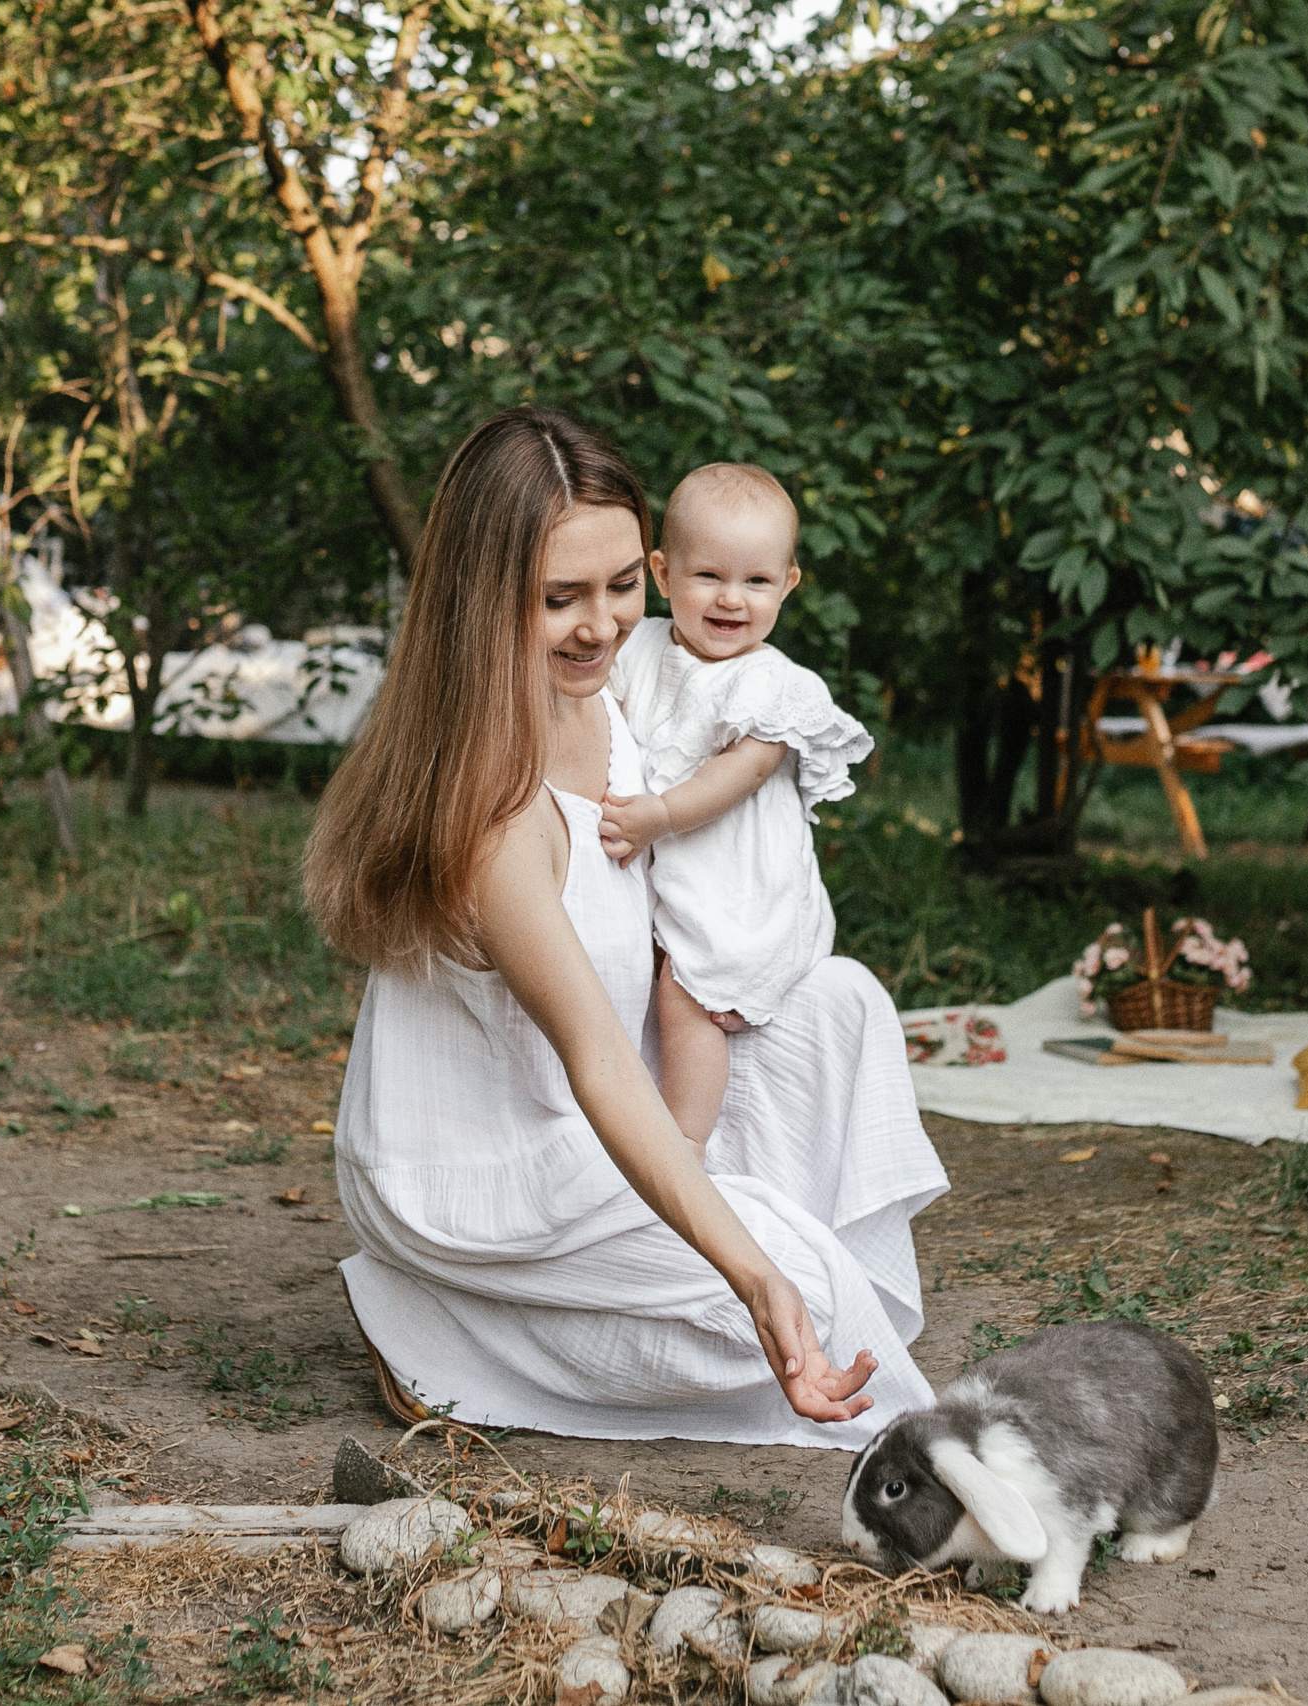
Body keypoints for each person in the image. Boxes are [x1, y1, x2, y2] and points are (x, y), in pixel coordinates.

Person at [302, 407, 946, 1447]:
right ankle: (432, 1319)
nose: (601, 626)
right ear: (484, 597)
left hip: (606, 1098)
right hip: (484, 1167)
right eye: (559, 598)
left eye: (621, 587)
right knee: (805, 1293)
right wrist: (751, 1272)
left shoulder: (622, 701)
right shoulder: (497, 817)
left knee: (837, 1003)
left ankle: (630, 1275)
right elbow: (600, 1064)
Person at [598, 463, 873, 1152]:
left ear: (788, 584)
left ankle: (681, 1147)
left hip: (746, 883)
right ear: (662, 574)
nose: (732, 600)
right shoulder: (642, 646)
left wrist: (657, 815)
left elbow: (742, 771)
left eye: (756, 582)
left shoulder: (771, 682)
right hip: (682, 866)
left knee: (685, 998)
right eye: (709, 577)